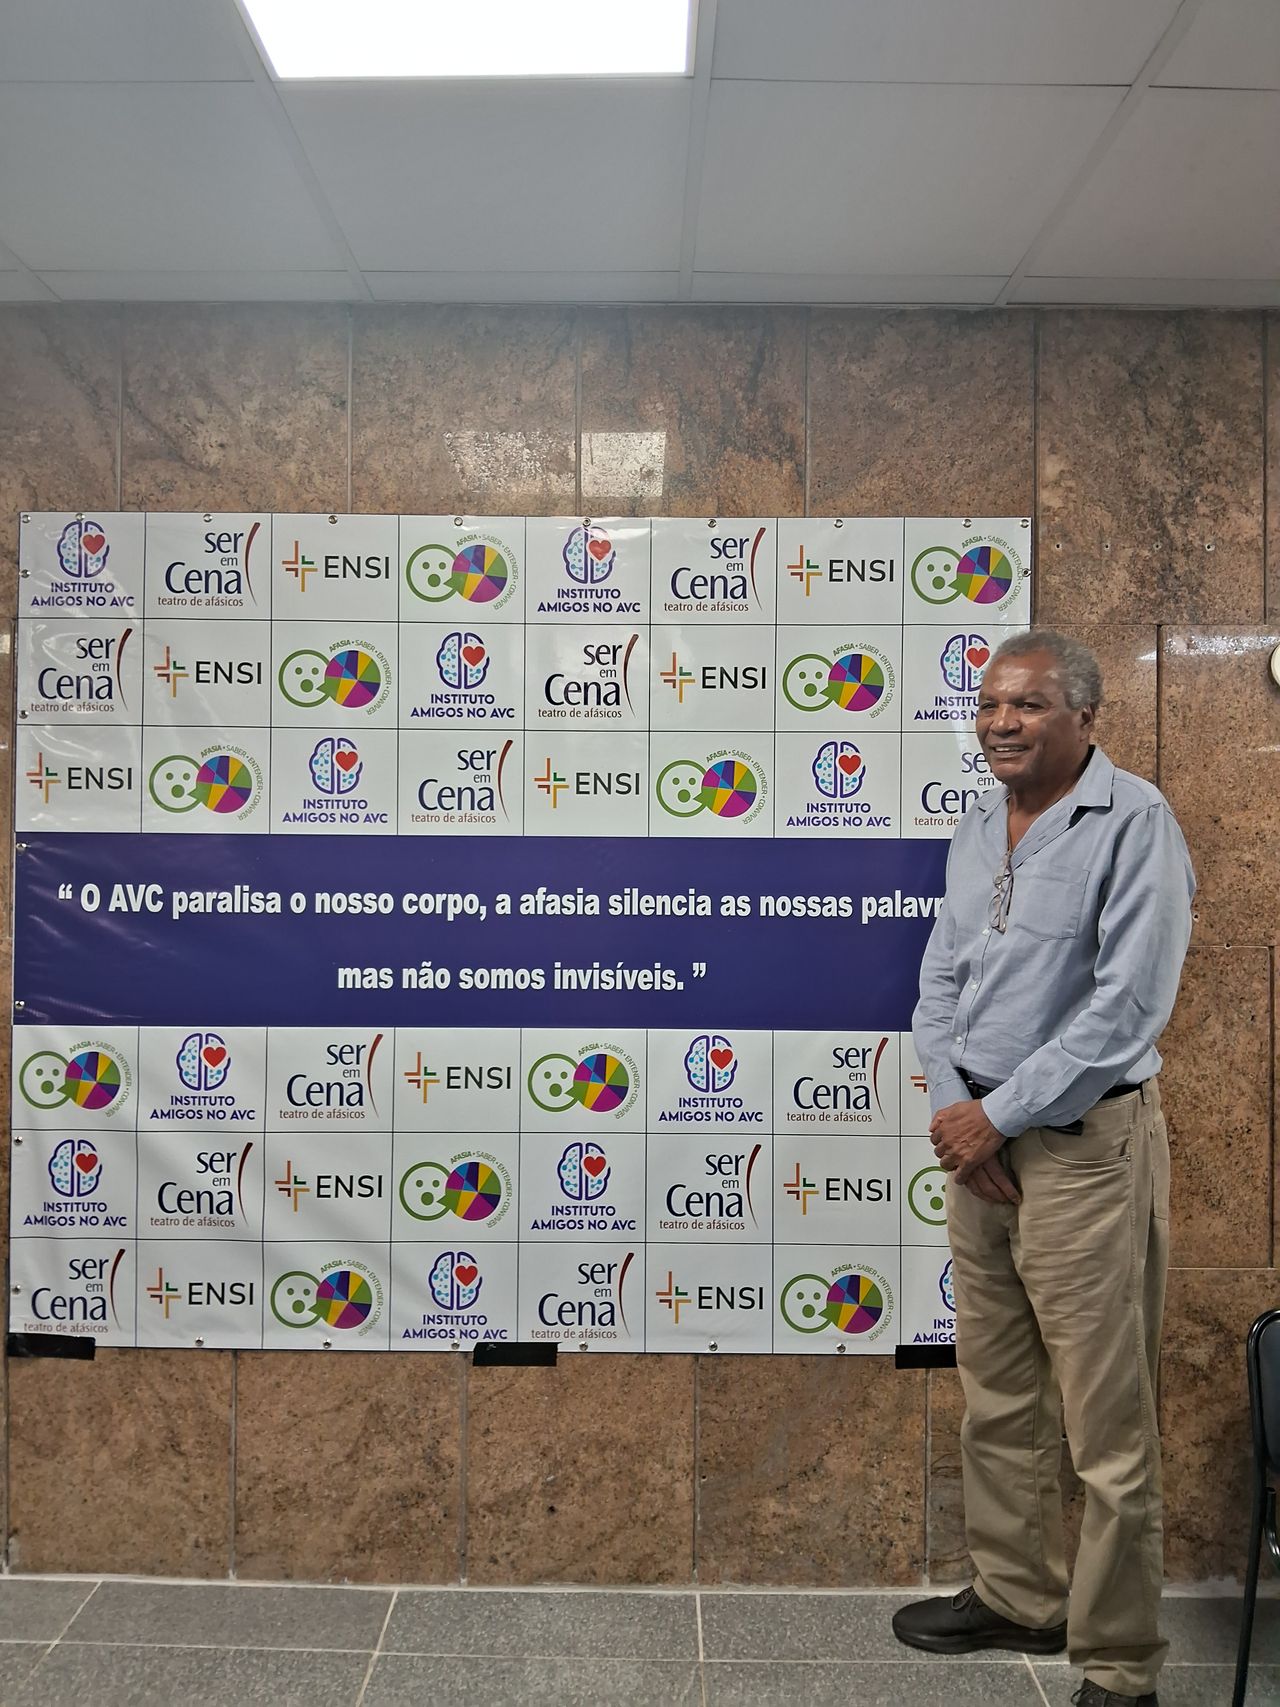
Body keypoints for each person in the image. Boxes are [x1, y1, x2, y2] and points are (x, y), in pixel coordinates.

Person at [892, 629, 1194, 1707]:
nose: (999, 722)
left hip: (1081, 1152)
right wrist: (955, 1109)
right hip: (978, 1144)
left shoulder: (1135, 823)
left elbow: (1128, 1007)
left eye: (1025, 704)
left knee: (1105, 1426)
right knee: (999, 1394)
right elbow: (940, 976)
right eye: (987, 704)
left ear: (1084, 717)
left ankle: (1119, 1666)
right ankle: (1020, 1594)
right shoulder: (978, 824)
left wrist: (999, 1116)